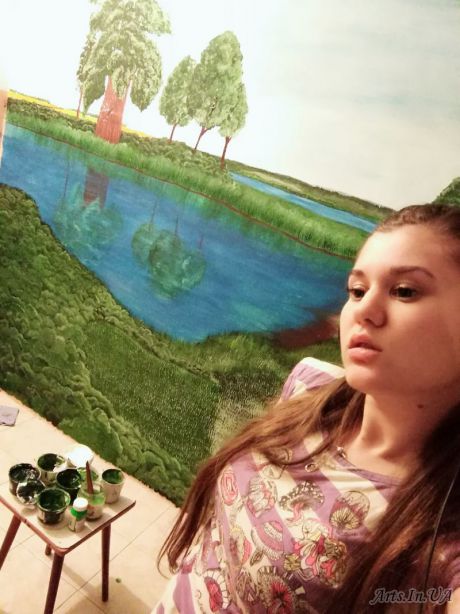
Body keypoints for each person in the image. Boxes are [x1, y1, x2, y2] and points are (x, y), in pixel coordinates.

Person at [155, 204, 460, 613]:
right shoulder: (309, 384)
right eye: (357, 290)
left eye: (405, 290)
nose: (364, 310)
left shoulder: (442, 533)